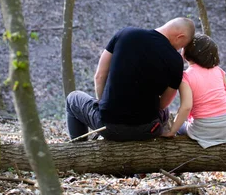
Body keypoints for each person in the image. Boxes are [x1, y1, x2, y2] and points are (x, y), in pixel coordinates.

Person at [66, 17, 195, 142]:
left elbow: (99, 76)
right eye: (182, 46)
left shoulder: (125, 34)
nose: (180, 50)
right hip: (149, 130)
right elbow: (164, 104)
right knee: (165, 111)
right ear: (180, 37)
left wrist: (104, 105)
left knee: (73, 98)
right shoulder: (176, 61)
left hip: (108, 127)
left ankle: (79, 148)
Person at [161, 34, 226, 148]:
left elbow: (186, 107)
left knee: (182, 127)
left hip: (204, 130)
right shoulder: (218, 71)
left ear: (186, 53)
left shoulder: (185, 77)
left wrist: (172, 131)